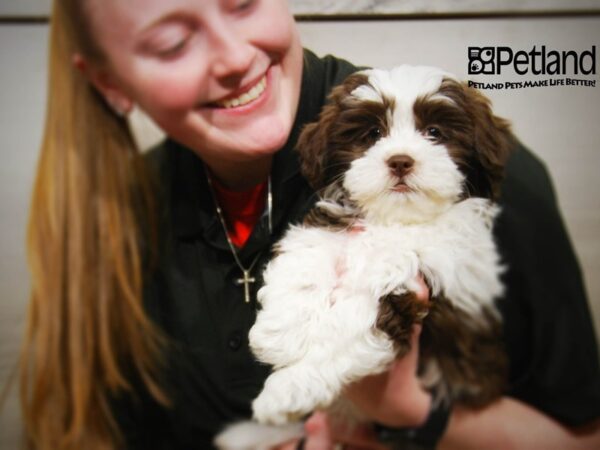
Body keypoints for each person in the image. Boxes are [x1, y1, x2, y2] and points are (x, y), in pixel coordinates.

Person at [21, 0, 600, 449]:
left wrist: (410, 410)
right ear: (110, 83)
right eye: (172, 43)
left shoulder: (480, 177)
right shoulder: (117, 216)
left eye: (243, 1)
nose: (234, 56)